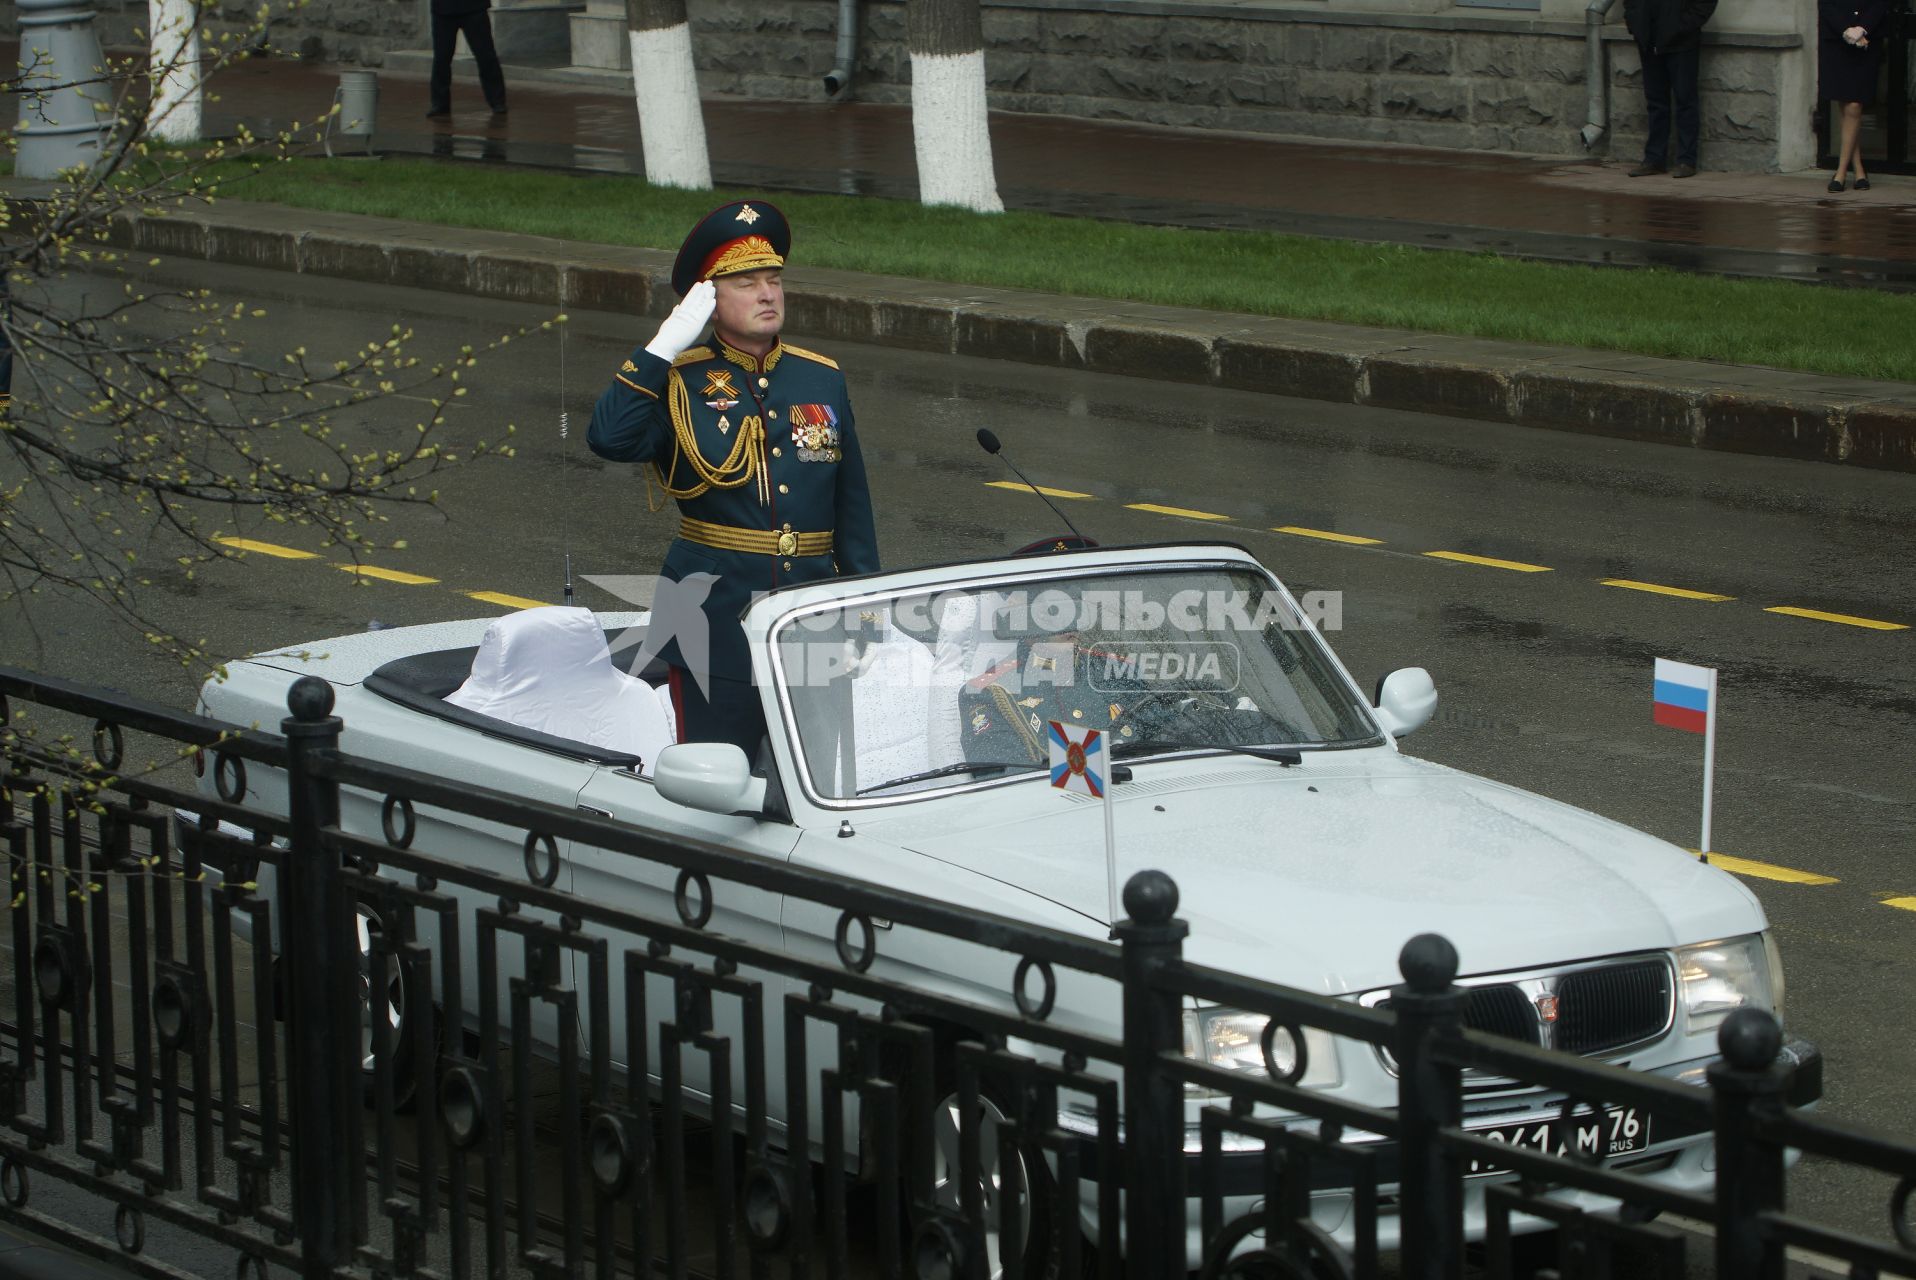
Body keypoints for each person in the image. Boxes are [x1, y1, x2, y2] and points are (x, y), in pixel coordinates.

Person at [589, 200, 880, 755]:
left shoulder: (820, 378)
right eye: (746, 283)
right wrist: (661, 347)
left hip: (810, 619)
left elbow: (852, 509)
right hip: (710, 623)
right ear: (709, 301)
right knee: (717, 780)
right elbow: (608, 439)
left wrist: (862, 619)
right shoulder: (678, 378)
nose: (768, 294)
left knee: (819, 781)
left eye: (773, 280)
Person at [1623, 0, 1719, 178]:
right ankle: (1654, 159)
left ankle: (1686, 160)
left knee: (1685, 101)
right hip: (1649, 40)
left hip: (1682, 43)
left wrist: (1682, 27)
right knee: (1656, 102)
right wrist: (1635, 22)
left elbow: (1705, 4)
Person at [1819, 0, 1892, 192]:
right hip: (1836, 39)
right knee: (1845, 105)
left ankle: (1840, 173)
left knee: (1854, 105)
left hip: (1866, 39)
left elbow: (1882, 3)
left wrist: (1862, 28)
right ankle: (1858, 168)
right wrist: (1845, 30)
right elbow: (1826, 4)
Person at [426, 0, 507, 120]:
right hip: (442, 10)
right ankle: (440, 103)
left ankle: (497, 101)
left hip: (474, 8)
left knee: (485, 56)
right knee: (441, 59)